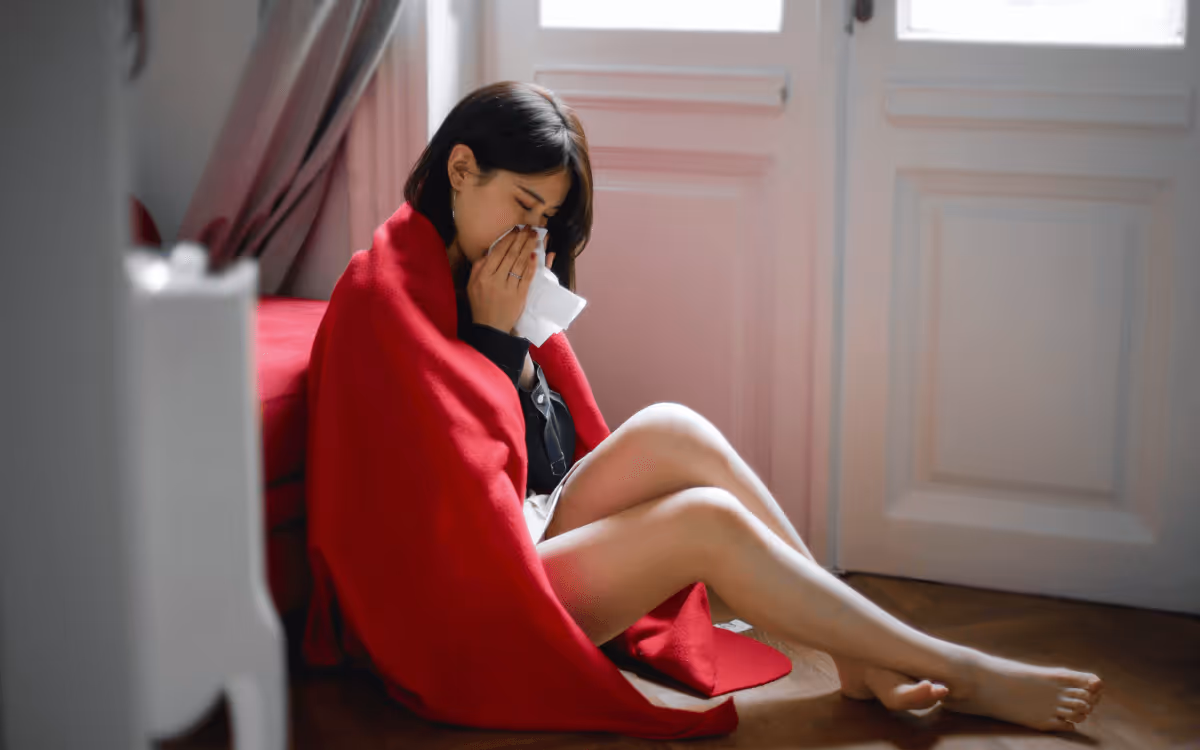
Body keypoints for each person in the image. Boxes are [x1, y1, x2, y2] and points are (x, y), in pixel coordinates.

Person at [401, 81, 1103, 733]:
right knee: (706, 521)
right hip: (474, 599)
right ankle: (959, 670)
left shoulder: (480, 276)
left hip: (524, 534)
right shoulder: (384, 299)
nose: (531, 236)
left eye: (546, 218)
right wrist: (496, 342)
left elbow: (544, 465)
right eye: (523, 205)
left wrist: (514, 344)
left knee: (674, 426)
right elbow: (457, 502)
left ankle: (857, 653)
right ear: (462, 170)